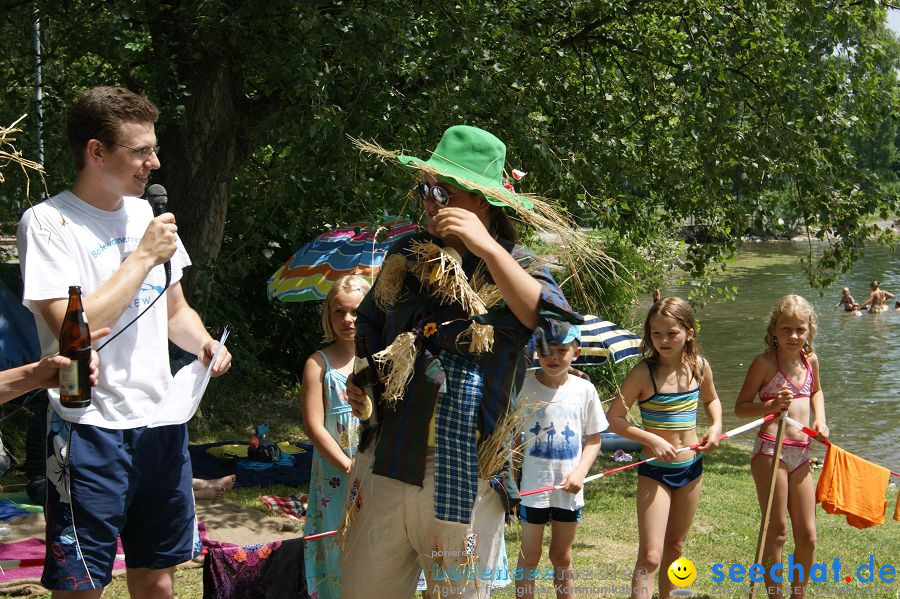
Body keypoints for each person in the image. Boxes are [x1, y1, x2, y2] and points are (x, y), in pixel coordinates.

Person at [342, 125, 582, 599]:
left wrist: (488, 248)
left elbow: (553, 325)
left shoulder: (519, 264)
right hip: (388, 456)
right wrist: (366, 380)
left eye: (442, 192)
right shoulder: (405, 253)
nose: (429, 202)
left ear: (481, 202)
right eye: (426, 189)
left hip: (465, 472)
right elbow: (369, 326)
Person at [16, 86, 232, 598]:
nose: (153, 163)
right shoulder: (48, 223)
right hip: (87, 429)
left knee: (158, 580)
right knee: (82, 583)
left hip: (161, 424)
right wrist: (139, 258)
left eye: (152, 150)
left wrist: (204, 344)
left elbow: (175, 312)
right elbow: (75, 329)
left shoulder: (147, 219)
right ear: (96, 152)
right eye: (140, 151)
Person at [606, 297, 723, 599]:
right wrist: (652, 439)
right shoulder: (644, 373)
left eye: (672, 333)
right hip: (655, 472)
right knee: (651, 555)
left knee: (676, 547)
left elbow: (711, 400)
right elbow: (615, 418)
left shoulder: (700, 367)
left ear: (690, 332)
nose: (663, 340)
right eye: (656, 334)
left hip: (691, 469)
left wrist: (716, 425)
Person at [734, 295, 827, 599]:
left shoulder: (809, 360)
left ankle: (797, 595)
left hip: (801, 453)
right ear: (774, 329)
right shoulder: (764, 364)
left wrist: (821, 421)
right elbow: (741, 408)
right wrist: (771, 404)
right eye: (786, 329)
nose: (794, 336)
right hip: (770, 452)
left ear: (809, 331)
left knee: (808, 536)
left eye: (800, 329)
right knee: (777, 532)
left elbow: (816, 392)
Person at [513, 325, 605, 599]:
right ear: (535, 353)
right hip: (533, 489)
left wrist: (580, 472)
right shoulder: (523, 386)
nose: (553, 358)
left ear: (576, 353)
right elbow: (513, 438)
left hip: (569, 491)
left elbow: (594, 439)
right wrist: (510, 475)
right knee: (530, 554)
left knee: (561, 556)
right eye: (545, 351)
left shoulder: (585, 390)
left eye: (561, 351)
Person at [301, 274, 369, 599]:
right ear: (329, 315)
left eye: (355, 311)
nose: (347, 319)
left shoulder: (381, 359)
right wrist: (346, 465)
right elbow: (314, 425)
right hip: (335, 474)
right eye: (339, 312)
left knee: (372, 542)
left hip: (373, 470)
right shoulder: (318, 364)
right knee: (336, 541)